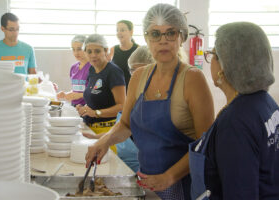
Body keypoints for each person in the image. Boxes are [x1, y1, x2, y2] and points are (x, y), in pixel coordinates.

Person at [85, 4, 214, 200]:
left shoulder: (192, 79)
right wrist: (106, 140)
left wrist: (169, 176)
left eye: (170, 33)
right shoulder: (139, 77)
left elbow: (204, 144)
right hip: (147, 181)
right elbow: (125, 125)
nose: (163, 41)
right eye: (155, 34)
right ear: (146, 38)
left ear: (182, 37)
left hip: (182, 184)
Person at [189, 22, 279, 200]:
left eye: (213, 54)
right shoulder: (265, 102)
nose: (210, 60)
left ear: (224, 67)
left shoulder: (235, 122)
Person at [83, 45, 155, 172]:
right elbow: (128, 129)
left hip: (149, 169)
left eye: (142, 72)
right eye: (133, 71)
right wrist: (102, 138)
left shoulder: (159, 102)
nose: (136, 76)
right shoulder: (137, 96)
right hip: (126, 166)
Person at [76, 34, 126, 154]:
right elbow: (95, 98)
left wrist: (97, 113)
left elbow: (122, 106)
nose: (93, 55)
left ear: (105, 50)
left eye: (97, 51)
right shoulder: (92, 70)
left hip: (108, 132)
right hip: (91, 129)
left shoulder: (113, 72)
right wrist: (84, 109)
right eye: (89, 51)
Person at [57, 35, 91, 106]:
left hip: (88, 108)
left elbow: (96, 93)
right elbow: (77, 90)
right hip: (74, 107)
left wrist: (79, 95)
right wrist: (66, 94)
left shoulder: (93, 68)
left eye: (79, 49)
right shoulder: (73, 67)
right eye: (73, 49)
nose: (76, 53)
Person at [108, 20, 139, 88]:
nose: (119, 33)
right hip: (116, 90)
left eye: (122, 30)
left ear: (131, 32)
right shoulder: (112, 50)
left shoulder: (138, 49)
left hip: (134, 89)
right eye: (117, 30)